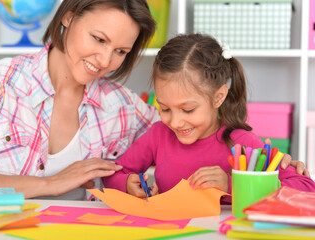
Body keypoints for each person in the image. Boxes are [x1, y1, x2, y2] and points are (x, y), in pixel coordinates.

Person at [0, 0, 160, 200]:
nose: (105, 61)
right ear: (68, 17)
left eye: (120, 51)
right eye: (99, 39)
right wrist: (51, 183)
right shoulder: (0, 81)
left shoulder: (124, 105)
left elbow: (184, 138)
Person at [103, 33, 315, 201]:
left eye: (187, 110)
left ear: (218, 97)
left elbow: (306, 189)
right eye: (165, 108)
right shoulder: (159, 134)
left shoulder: (241, 143)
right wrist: (128, 184)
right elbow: (113, 174)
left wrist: (231, 185)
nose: (175, 122)